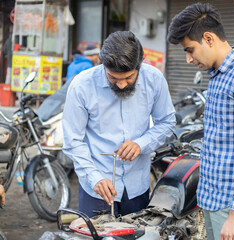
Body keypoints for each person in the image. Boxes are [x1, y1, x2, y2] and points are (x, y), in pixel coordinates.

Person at [168, 3, 234, 240]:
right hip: (210, 198)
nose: (188, 59)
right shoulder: (216, 75)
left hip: (231, 204)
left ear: (209, 38)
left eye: (190, 50)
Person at [62, 31, 176, 218]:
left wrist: (142, 143)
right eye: (113, 78)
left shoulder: (154, 80)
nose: (121, 85)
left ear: (139, 66)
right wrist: (94, 177)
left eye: (129, 78)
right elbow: (73, 140)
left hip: (137, 186)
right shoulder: (81, 86)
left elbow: (167, 121)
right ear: (102, 64)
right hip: (97, 187)